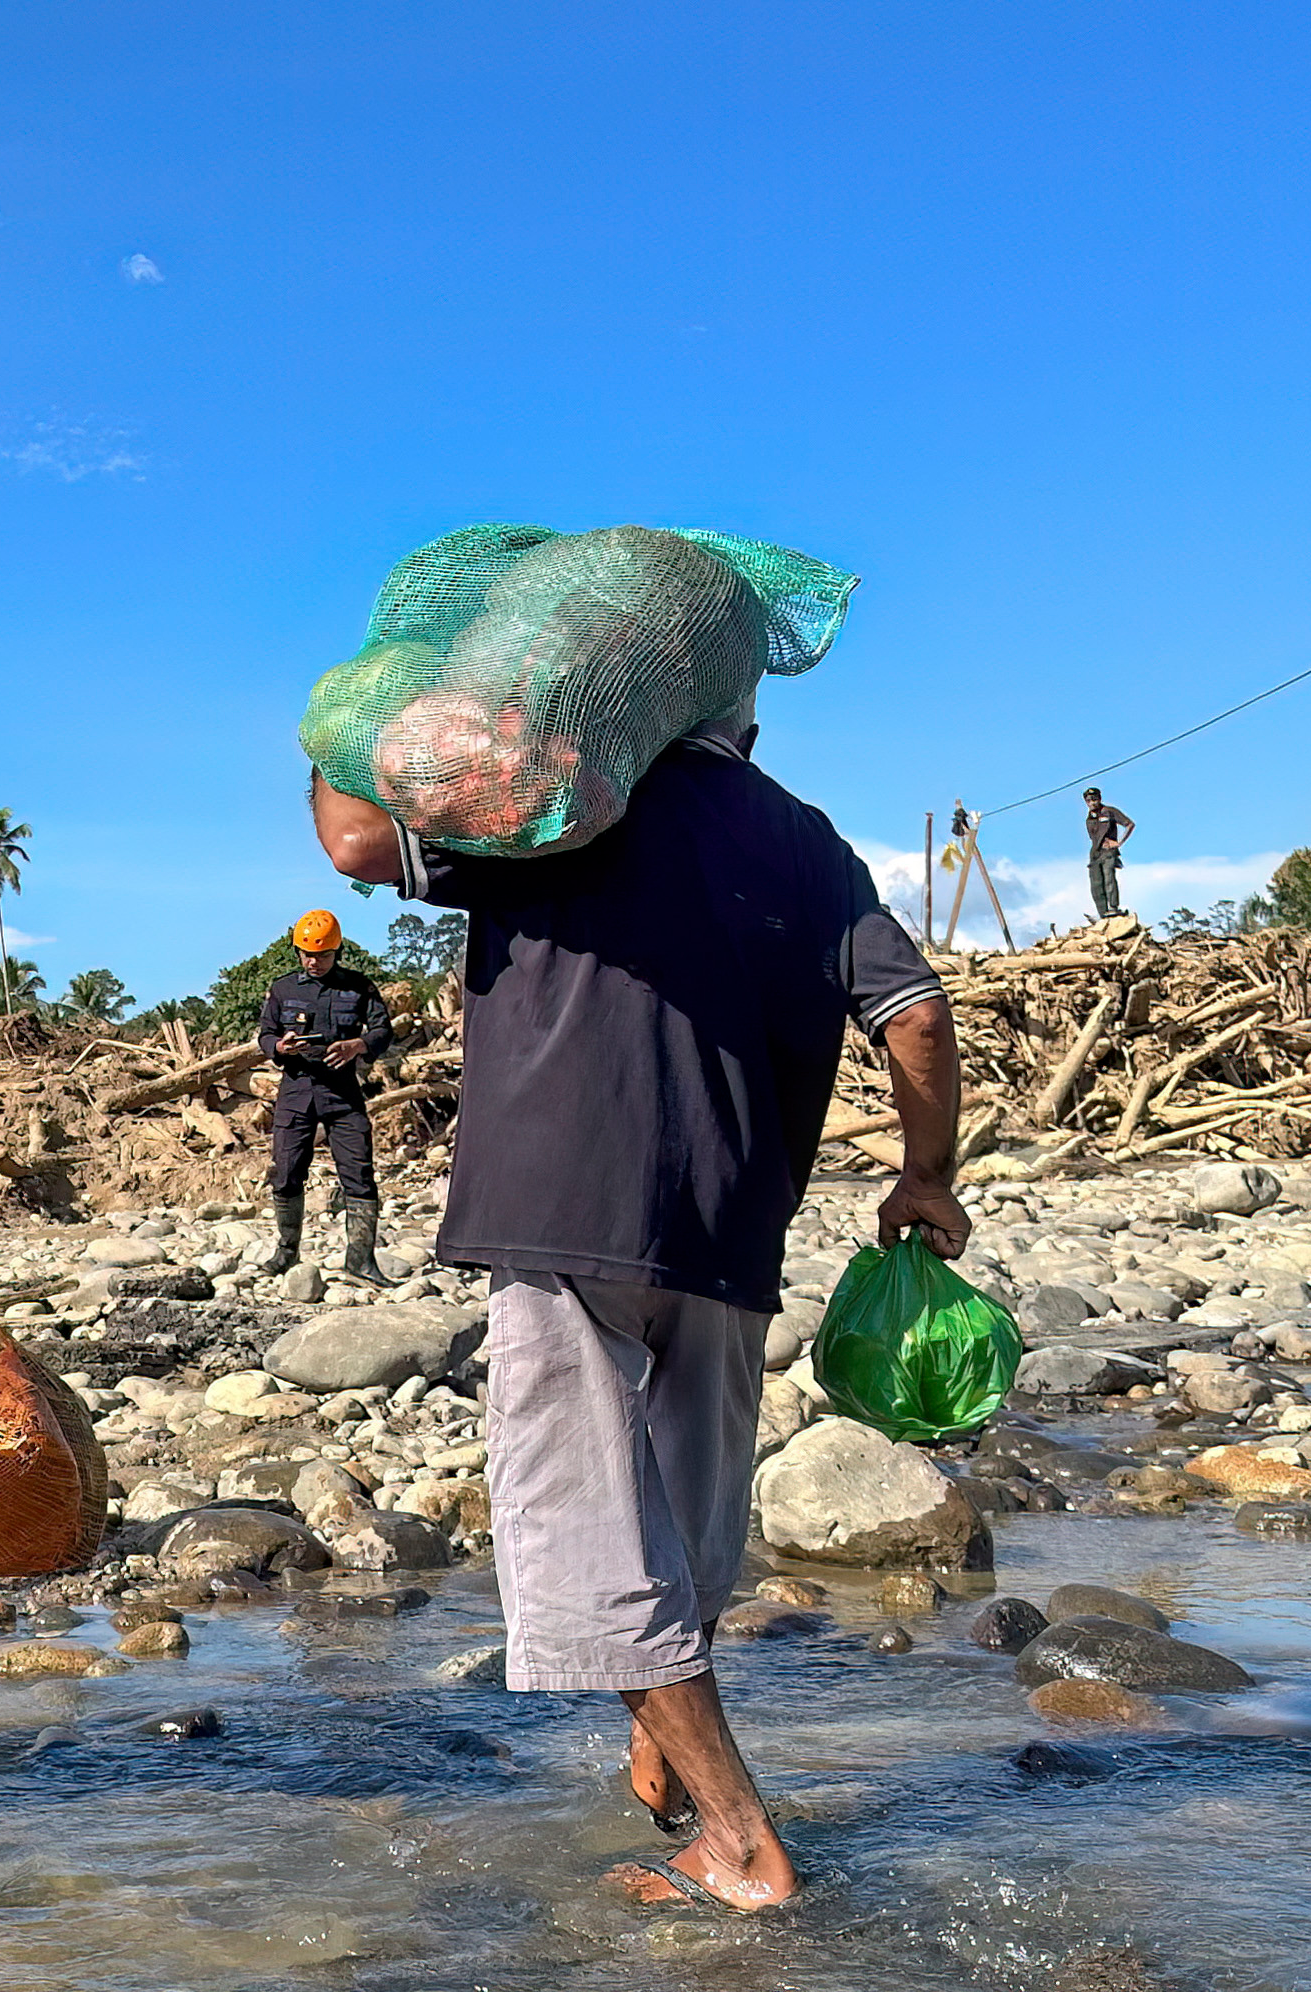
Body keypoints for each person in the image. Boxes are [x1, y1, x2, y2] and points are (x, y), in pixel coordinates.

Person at [309, 697, 965, 1916]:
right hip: (732, 1228)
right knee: (691, 1525)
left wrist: (345, 720)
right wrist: (924, 1177)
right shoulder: (807, 841)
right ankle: (666, 1751)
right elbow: (915, 1017)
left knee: (590, 1536)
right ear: (745, 722)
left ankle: (740, 1847)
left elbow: (355, 842)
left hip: (565, 1216)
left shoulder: (551, 804)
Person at [255, 909, 394, 1284]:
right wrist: (280, 1047)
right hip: (296, 1090)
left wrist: (359, 1044)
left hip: (343, 1092)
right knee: (285, 1174)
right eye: (307, 954)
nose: (314, 962)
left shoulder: (359, 987)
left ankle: (361, 1261)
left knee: (359, 1174)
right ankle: (286, 1253)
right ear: (297, 951)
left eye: (322, 955)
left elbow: (384, 1030)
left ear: (337, 951)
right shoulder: (283, 989)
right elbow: (265, 1034)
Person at [1085, 787, 1136, 920]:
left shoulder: (1109, 812)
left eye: (1095, 799)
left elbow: (1129, 824)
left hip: (1108, 851)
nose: (1092, 803)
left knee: (1109, 879)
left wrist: (1119, 842)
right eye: (1089, 800)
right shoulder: (1089, 818)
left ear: (1100, 799)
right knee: (1096, 884)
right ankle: (1103, 913)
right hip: (1095, 853)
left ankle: (1113, 908)